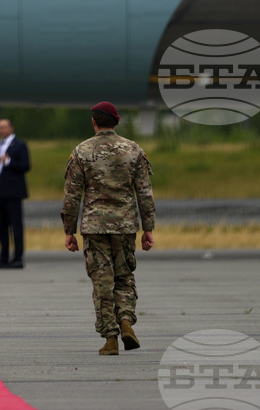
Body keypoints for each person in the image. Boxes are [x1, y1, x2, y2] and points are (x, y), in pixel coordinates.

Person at [61, 102, 155, 356]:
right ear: (117, 122)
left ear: (93, 122)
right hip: (125, 226)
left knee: (102, 280)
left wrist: (69, 230)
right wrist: (148, 228)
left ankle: (110, 337)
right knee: (124, 276)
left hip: (95, 227)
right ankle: (125, 321)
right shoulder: (133, 150)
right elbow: (144, 193)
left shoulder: (81, 151)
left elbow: (72, 195)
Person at [0, 118, 30, 269]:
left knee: (16, 226)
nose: (1, 130)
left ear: (11, 128)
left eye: (4, 127)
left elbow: (26, 165)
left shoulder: (19, 145)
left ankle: (18, 257)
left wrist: (8, 162)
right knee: (1, 226)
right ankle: (3, 257)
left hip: (13, 192)